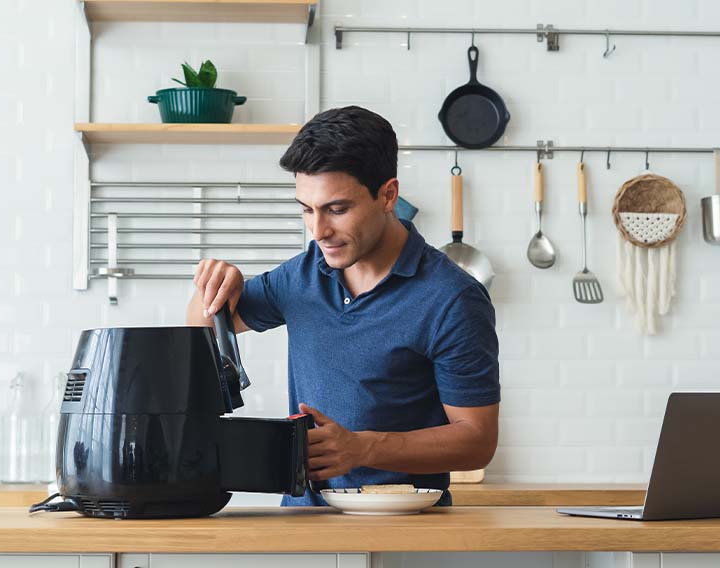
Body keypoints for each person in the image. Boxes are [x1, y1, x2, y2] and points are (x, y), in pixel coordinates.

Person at [186, 106, 500, 506]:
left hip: (406, 531)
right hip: (304, 531)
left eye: (337, 209)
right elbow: (202, 326)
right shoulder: (302, 276)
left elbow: (477, 441)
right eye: (306, 209)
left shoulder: (452, 298)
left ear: (388, 195)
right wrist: (214, 286)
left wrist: (363, 448)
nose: (319, 231)